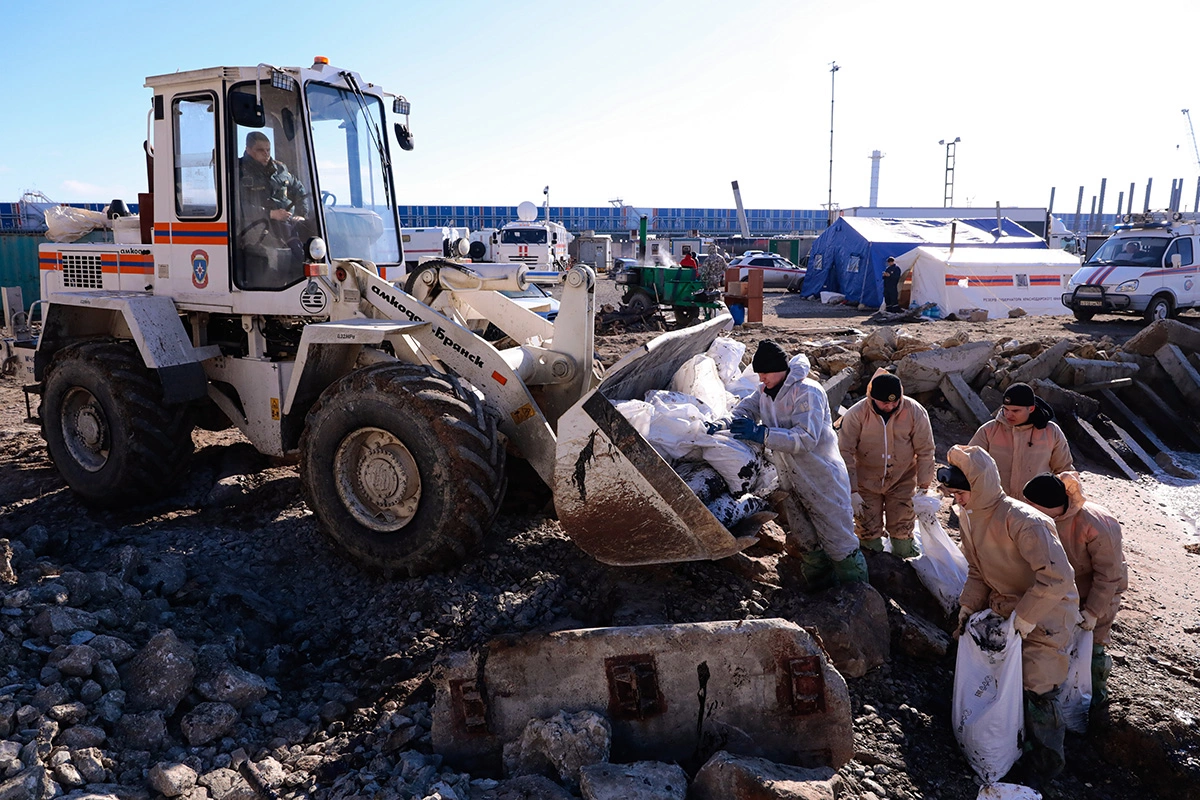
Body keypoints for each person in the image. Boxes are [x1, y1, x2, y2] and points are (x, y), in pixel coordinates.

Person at [941, 444, 1080, 781]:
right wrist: (968, 608)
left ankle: (1045, 767)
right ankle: (1006, 750)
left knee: (1036, 685)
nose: (956, 500)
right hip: (1006, 608)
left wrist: (1024, 620)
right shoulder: (970, 517)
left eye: (961, 493)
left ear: (979, 487)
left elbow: (1058, 578)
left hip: (1047, 613)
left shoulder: (1024, 521)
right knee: (996, 679)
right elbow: (977, 570)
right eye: (953, 494)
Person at [723, 340, 869, 588]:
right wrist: (729, 422)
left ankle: (859, 594)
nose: (762, 378)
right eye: (759, 373)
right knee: (806, 539)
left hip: (821, 477)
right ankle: (821, 591)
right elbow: (745, 409)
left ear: (781, 369)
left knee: (838, 540)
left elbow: (807, 438)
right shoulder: (765, 392)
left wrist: (762, 434)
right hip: (791, 480)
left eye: (766, 373)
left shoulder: (807, 392)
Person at [1023, 471, 1128, 709]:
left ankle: (1096, 701)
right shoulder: (1039, 518)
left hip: (1101, 590)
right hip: (1065, 588)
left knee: (1094, 645)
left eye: (1033, 505)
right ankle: (1060, 696)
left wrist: (1092, 611)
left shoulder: (1098, 525)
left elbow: (1109, 575)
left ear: (1054, 506)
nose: (1027, 509)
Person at [838, 371, 935, 559]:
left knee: (902, 528)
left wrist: (924, 486)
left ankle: (906, 564)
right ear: (872, 398)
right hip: (866, 483)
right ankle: (874, 569)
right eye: (885, 403)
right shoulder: (856, 414)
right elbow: (844, 452)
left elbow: (926, 449)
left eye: (895, 401)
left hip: (902, 479)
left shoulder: (914, 411)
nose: (890, 406)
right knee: (867, 529)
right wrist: (852, 490)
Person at [968, 382, 1073, 498]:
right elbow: (969, 464)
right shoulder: (989, 430)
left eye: (1015, 411)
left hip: (1035, 506)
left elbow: (1064, 470)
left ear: (1031, 408)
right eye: (1005, 409)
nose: (1008, 415)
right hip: (996, 503)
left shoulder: (1051, 432)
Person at [239, 131, 311, 230]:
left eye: (268, 150)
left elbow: (298, 188)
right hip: (258, 227)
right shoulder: (238, 171)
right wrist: (270, 214)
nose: (266, 154)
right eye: (260, 150)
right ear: (248, 150)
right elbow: (237, 206)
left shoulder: (280, 168)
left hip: (289, 222)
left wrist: (301, 214)